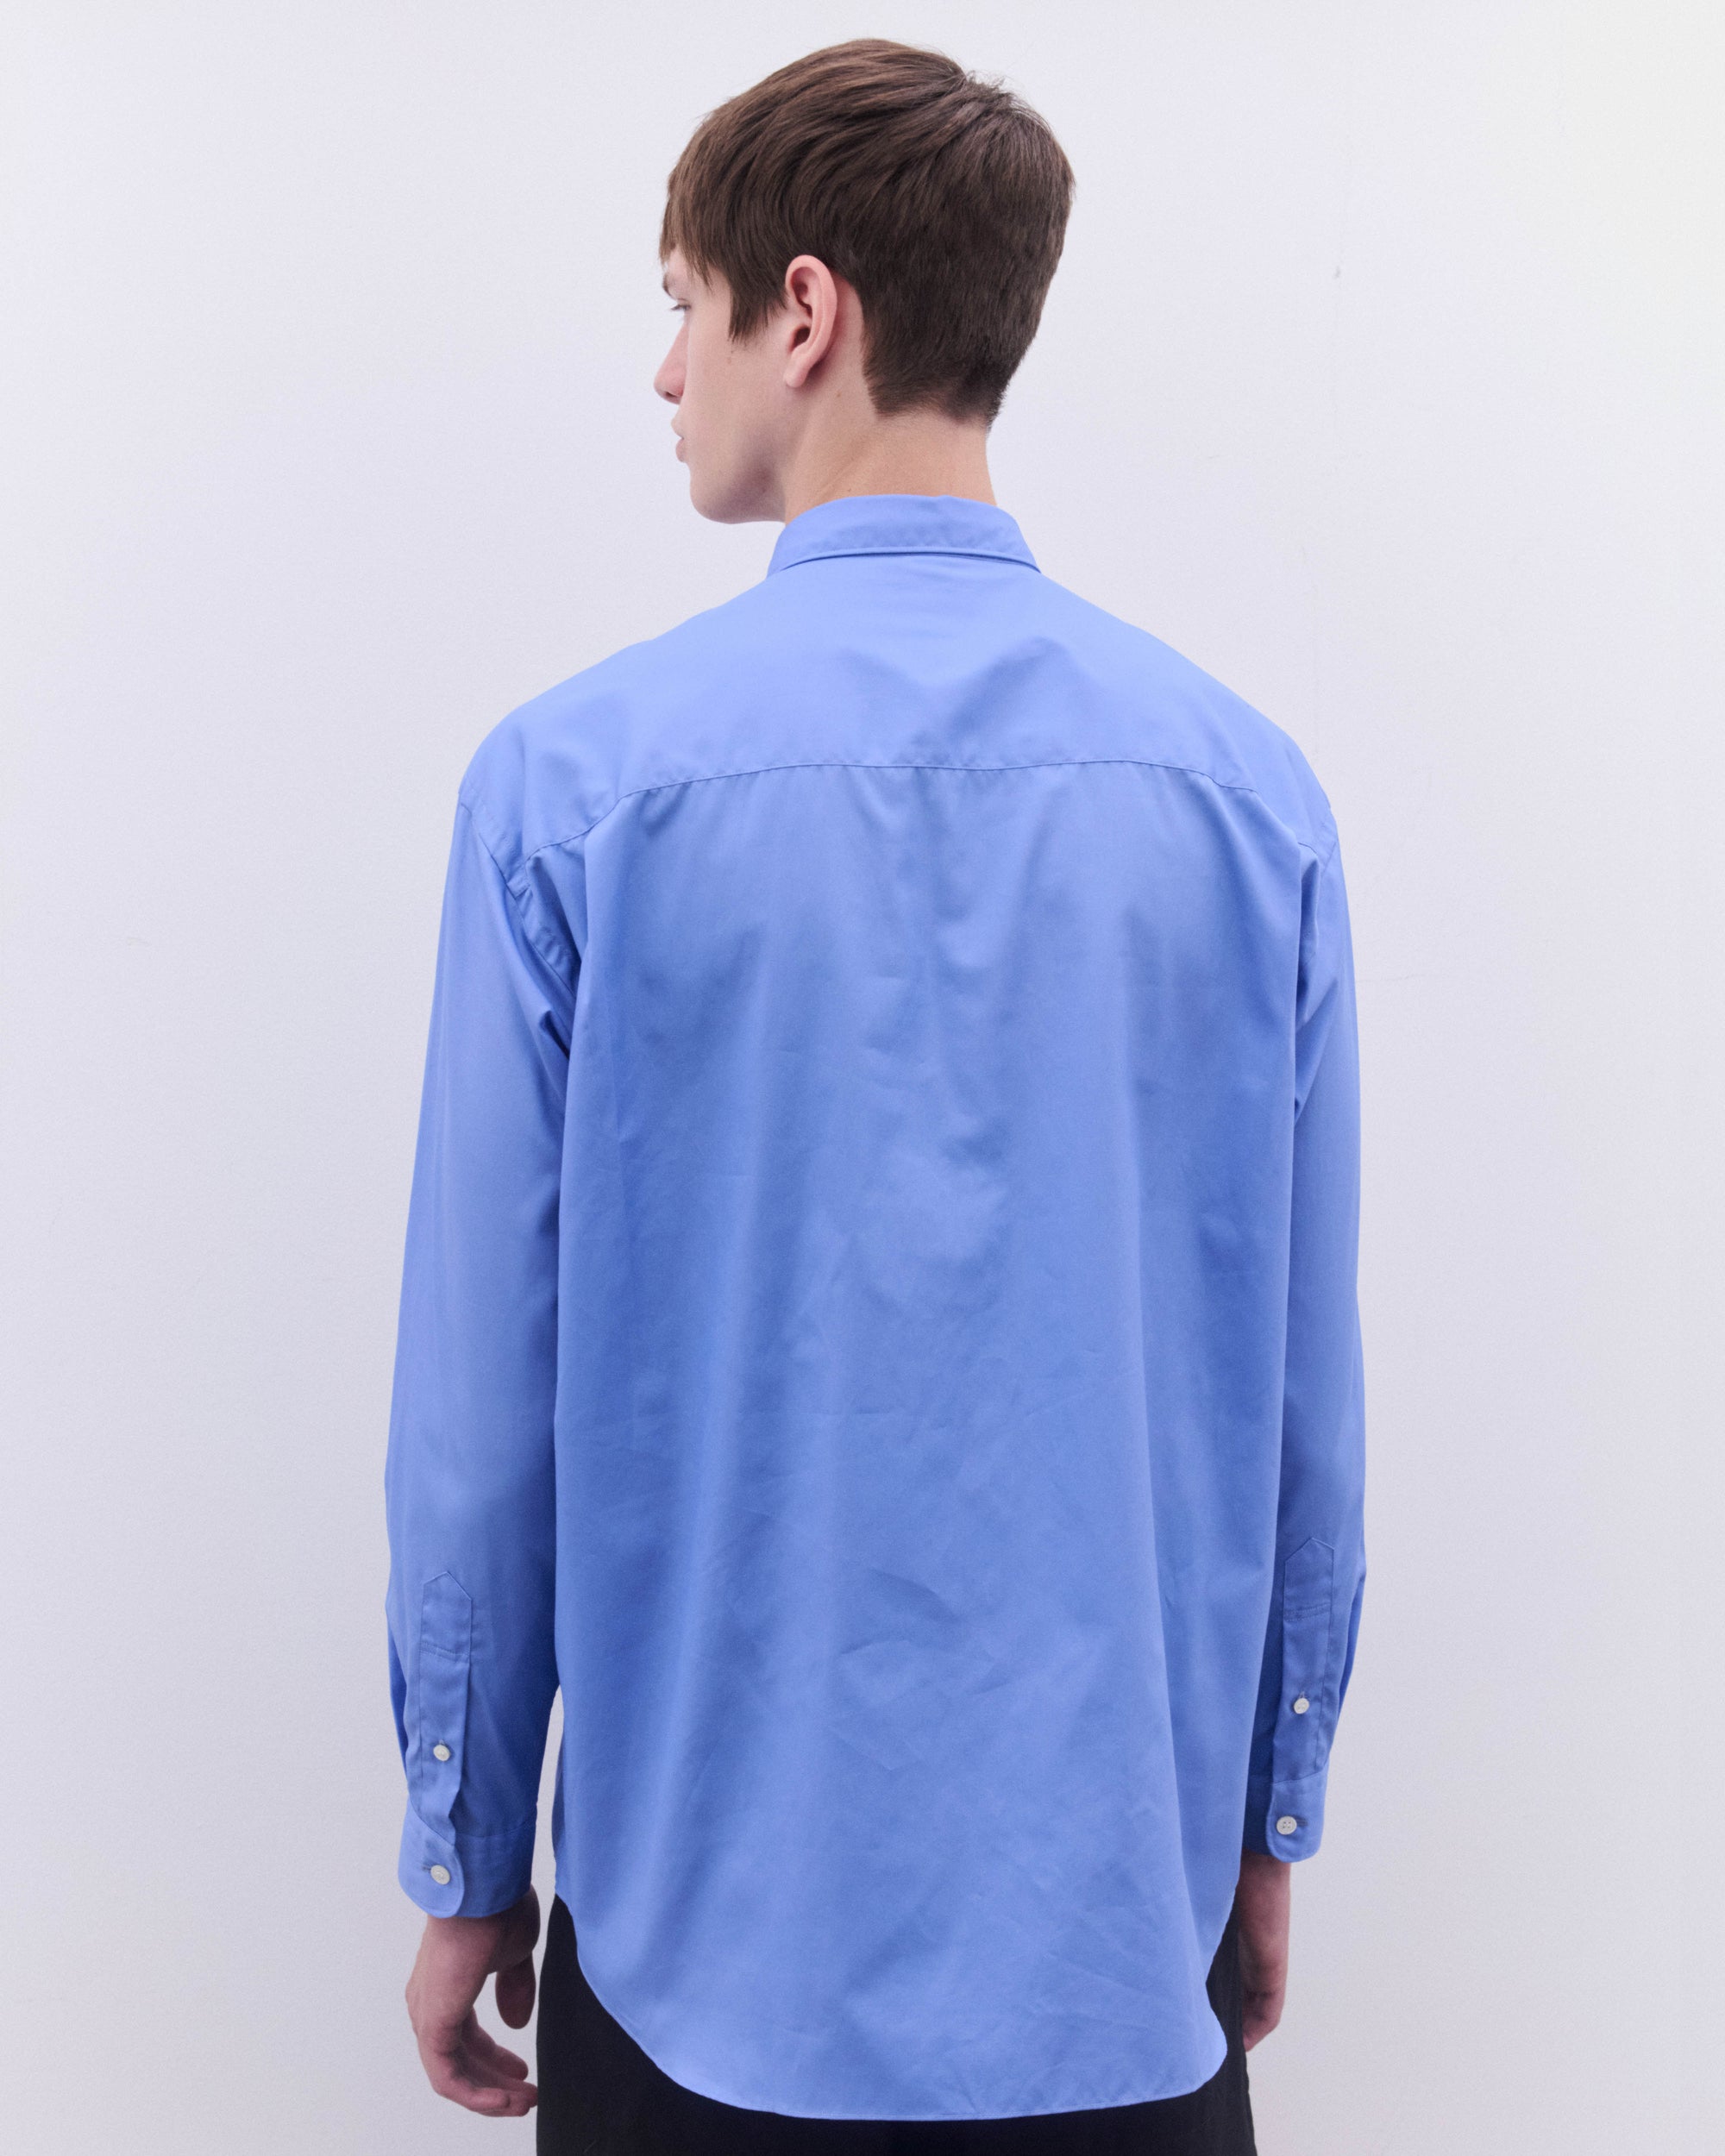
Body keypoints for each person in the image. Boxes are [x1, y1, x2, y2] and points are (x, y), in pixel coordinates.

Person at [385, 37, 1366, 2156]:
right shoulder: (1247, 795)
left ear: (805, 310)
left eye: (684, 302)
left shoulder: (569, 790)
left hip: (695, 1975)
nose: (667, 370)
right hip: (1117, 1960)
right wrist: (1266, 1815)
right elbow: (1296, 1396)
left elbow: (483, 1420)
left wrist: (465, 1852)